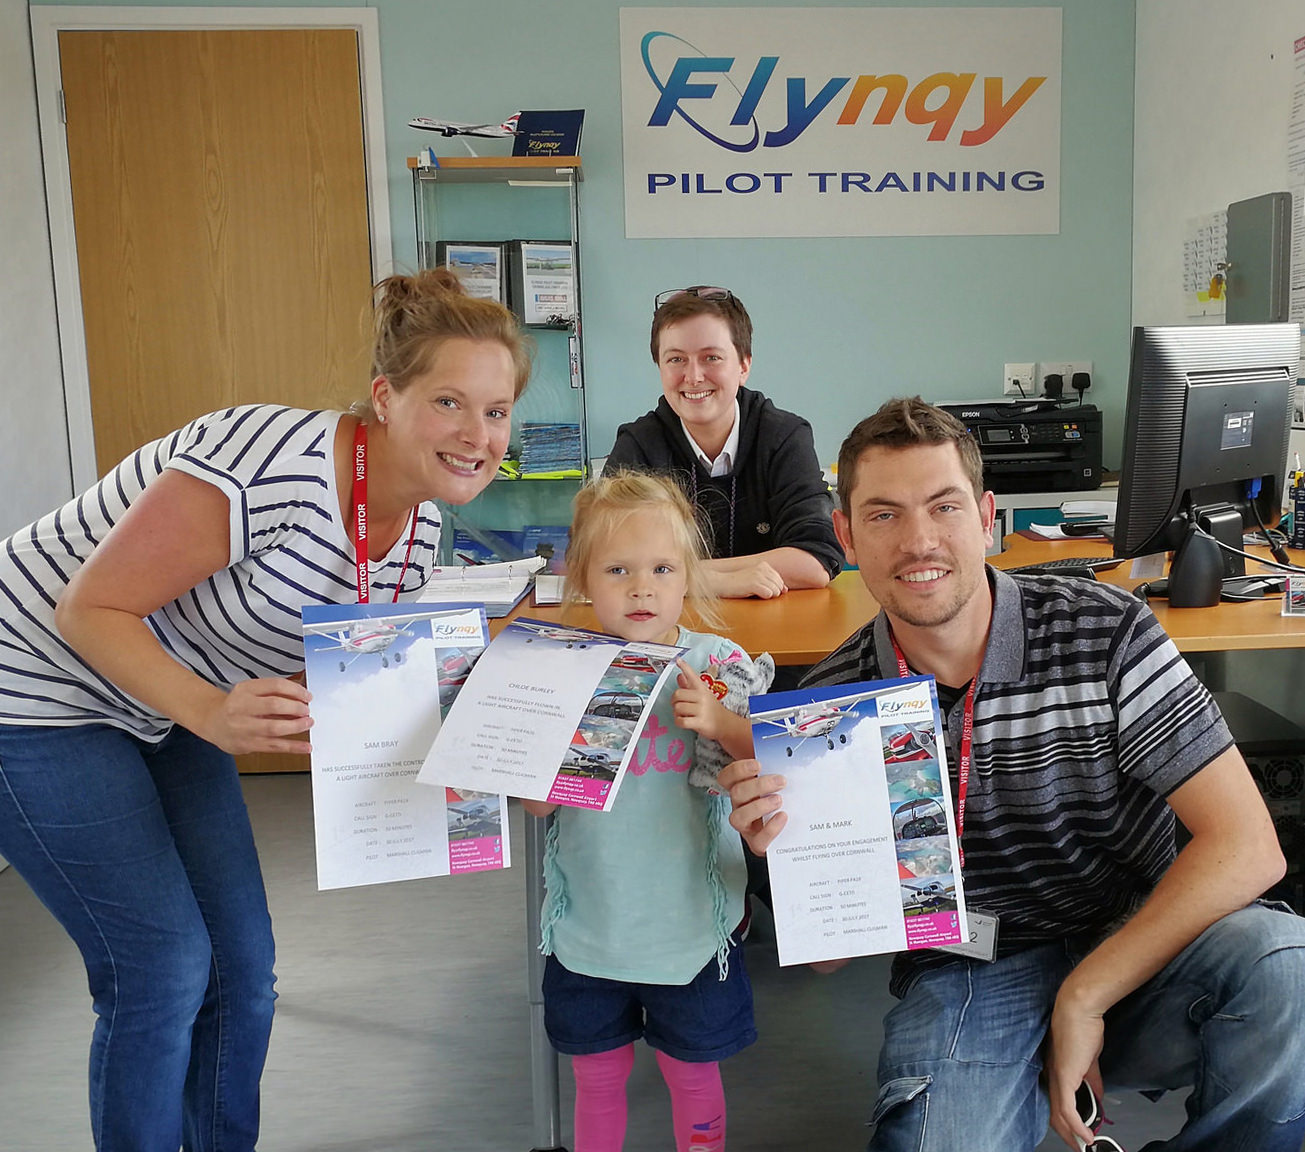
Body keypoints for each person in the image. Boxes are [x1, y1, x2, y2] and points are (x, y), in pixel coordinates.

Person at [0, 267, 531, 1151]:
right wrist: (211, 713)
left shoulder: (425, 525)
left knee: (243, 971)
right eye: (449, 403)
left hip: (168, 698)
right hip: (39, 683)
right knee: (161, 971)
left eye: (497, 410)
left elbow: (366, 680)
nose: (478, 436)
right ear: (384, 398)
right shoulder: (272, 467)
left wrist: (501, 741)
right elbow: (87, 609)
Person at [721, 397, 1305, 1152]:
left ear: (987, 518)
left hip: (1143, 941)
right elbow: (831, 956)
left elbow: (1249, 847)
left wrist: (1083, 997)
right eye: (883, 515)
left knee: (1284, 970)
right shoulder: (824, 713)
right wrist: (781, 856)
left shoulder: (1105, 630)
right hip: (974, 967)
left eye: (943, 507)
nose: (918, 541)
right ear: (845, 535)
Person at [522, 472, 765, 1152]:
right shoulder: (566, 668)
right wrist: (555, 751)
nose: (641, 588)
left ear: (686, 576)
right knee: (597, 1076)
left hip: (691, 924)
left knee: (691, 1072)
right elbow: (537, 803)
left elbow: (773, 755)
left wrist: (718, 721)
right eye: (618, 569)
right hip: (591, 925)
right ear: (582, 578)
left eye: (661, 568)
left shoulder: (715, 663)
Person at [603, 285, 843, 599]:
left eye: (711, 357)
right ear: (659, 367)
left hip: (772, 628)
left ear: (743, 365)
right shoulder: (639, 444)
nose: (693, 376)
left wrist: (674, 576)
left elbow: (815, 561)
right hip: (670, 632)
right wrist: (723, 582)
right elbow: (600, 561)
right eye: (676, 359)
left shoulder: (783, 436)